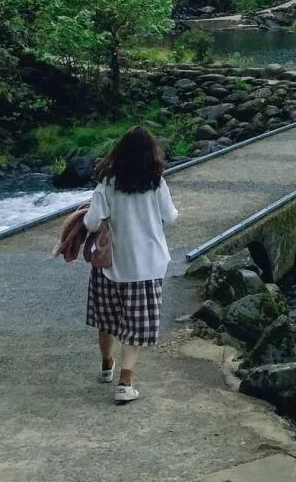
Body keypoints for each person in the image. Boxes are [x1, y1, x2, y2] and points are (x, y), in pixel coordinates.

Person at [84, 126, 178, 404]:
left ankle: (106, 365)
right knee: (136, 325)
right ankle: (125, 382)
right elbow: (171, 217)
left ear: (120, 152)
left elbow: (92, 222)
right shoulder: (156, 182)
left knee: (106, 318)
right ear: (151, 153)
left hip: (112, 265)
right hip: (147, 266)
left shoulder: (107, 183)